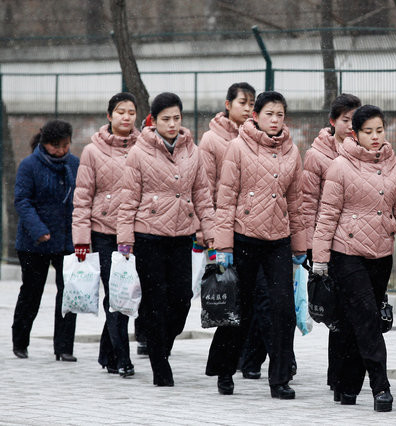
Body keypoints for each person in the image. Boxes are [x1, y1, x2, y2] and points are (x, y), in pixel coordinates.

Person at [312, 105, 396, 412]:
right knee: (368, 319)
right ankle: (380, 386)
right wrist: (320, 258)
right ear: (355, 134)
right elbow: (327, 215)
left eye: (379, 130)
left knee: (354, 322)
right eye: (368, 132)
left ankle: (348, 387)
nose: (375, 137)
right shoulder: (340, 166)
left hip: (381, 254)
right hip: (346, 254)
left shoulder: (395, 166)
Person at [206, 91, 306, 400]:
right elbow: (226, 199)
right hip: (242, 237)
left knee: (283, 310)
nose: (275, 120)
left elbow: (297, 203)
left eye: (280, 115)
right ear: (256, 117)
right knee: (238, 309)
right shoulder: (238, 147)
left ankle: (279, 379)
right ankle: (225, 369)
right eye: (269, 114)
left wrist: (300, 247)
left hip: (278, 240)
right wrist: (222, 246)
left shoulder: (292, 151)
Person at [117, 92, 216, 386]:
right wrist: (125, 239)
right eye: (165, 119)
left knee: (182, 299)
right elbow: (128, 199)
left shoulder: (193, 151)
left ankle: (162, 345)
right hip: (149, 235)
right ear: (153, 121)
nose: (172, 124)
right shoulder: (139, 152)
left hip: (182, 235)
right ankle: (161, 366)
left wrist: (210, 233)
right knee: (156, 300)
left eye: (176, 118)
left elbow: (202, 195)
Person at [197, 82, 270, 379]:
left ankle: (251, 359)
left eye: (253, 102)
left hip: (260, 232)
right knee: (234, 299)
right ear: (228, 104)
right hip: (229, 232)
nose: (248, 107)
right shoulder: (212, 141)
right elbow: (206, 190)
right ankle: (226, 362)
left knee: (262, 300)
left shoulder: (263, 139)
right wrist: (213, 234)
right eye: (243, 102)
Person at [72, 92, 140, 377]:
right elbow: (83, 197)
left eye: (131, 112)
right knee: (116, 295)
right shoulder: (92, 151)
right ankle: (122, 358)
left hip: (135, 232)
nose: (126, 117)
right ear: (109, 116)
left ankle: (106, 352)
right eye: (121, 112)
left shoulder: (145, 147)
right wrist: (81, 239)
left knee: (129, 294)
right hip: (103, 232)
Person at [302, 93, 361, 394]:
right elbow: (308, 203)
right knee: (336, 312)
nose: (351, 126)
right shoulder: (317, 156)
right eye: (346, 120)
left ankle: (348, 374)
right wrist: (313, 246)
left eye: (355, 120)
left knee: (356, 311)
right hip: (328, 243)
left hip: (359, 245)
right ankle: (337, 375)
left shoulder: (366, 152)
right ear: (333, 121)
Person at [12, 119, 79, 361]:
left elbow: (80, 200)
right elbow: (22, 201)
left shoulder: (74, 164)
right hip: (34, 243)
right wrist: (38, 229)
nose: (61, 151)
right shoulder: (29, 166)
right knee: (31, 292)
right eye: (55, 146)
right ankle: (20, 341)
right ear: (44, 144)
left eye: (65, 145)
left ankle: (64, 348)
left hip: (66, 241)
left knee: (68, 295)